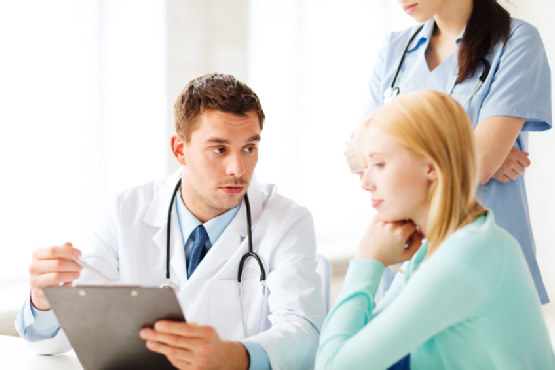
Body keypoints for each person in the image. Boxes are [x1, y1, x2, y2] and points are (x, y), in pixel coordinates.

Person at [15, 73, 325, 370]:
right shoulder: (126, 211)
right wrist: (44, 300)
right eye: (219, 149)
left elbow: (303, 334)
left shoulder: (287, 221)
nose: (238, 168)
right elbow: (63, 338)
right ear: (180, 149)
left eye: (249, 148)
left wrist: (231, 357)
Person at [317, 90, 555, 370]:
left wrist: (368, 261)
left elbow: (334, 366)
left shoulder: (468, 256)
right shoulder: (436, 248)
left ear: (431, 167)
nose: (365, 182)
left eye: (379, 164)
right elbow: (363, 342)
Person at [345, 0, 552, 303]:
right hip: (404, 251)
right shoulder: (395, 48)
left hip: (481, 252)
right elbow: (358, 153)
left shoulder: (516, 41)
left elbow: (479, 165)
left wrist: (480, 155)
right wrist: (469, 143)